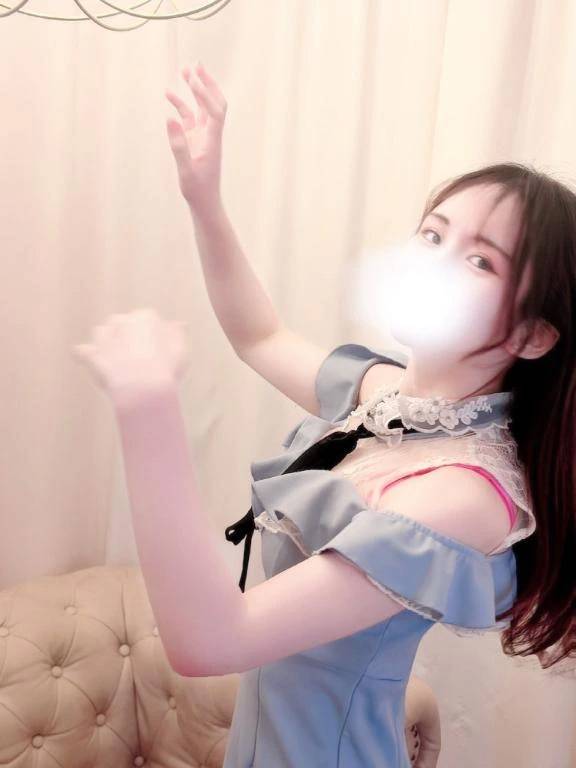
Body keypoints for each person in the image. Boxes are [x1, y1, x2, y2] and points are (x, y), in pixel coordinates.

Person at [73, 61, 576, 768]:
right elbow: (259, 336)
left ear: (533, 335)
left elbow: (211, 640)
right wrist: (204, 198)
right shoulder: (391, 401)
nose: (433, 263)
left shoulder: (463, 493)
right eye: (433, 236)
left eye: (481, 262)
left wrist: (148, 411)